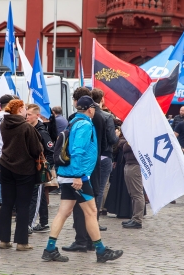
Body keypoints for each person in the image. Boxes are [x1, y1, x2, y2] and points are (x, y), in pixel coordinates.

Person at [41, 95, 123, 263]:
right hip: (76, 176)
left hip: (67, 174)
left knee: (64, 212)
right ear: (91, 109)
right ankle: (101, 250)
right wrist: (79, 176)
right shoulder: (85, 124)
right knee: (92, 212)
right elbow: (78, 151)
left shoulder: (74, 122)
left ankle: (50, 248)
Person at [62, 87, 107, 254]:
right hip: (94, 165)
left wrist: (77, 173)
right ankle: (91, 241)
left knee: (81, 207)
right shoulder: (101, 116)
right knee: (90, 206)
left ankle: (81, 240)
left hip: (81, 169)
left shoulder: (77, 119)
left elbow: (75, 148)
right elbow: (105, 142)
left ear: (77, 101)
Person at [0, 99, 42, 251]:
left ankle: (4, 240)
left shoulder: (4, 124)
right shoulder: (26, 127)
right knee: (23, 205)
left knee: (7, 204)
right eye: (24, 109)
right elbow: (36, 149)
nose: (26, 112)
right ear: (20, 109)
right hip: (24, 169)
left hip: (6, 165)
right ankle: (22, 242)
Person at [90, 88, 120, 218]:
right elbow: (112, 139)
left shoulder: (88, 114)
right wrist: (117, 135)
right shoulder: (106, 116)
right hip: (104, 154)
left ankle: (84, 218)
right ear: (102, 99)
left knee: (89, 188)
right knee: (100, 188)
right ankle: (94, 219)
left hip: (90, 155)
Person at [26, 104, 54, 233]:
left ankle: (29, 224)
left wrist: (46, 166)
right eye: (26, 114)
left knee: (35, 196)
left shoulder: (41, 131)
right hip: (31, 167)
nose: (27, 117)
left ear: (37, 116)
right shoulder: (29, 128)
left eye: (29, 115)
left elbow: (50, 150)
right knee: (40, 196)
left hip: (39, 168)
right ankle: (44, 222)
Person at [121, 141, 144, 229]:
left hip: (135, 164)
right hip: (129, 163)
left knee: (137, 193)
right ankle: (134, 217)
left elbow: (125, 146)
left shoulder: (138, 136)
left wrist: (126, 143)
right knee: (133, 193)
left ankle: (137, 219)